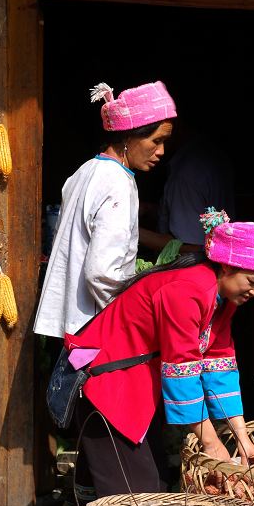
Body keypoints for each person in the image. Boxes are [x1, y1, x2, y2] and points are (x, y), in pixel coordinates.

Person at [66, 208, 254, 506]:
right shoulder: (186, 290)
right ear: (227, 267)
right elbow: (182, 368)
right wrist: (211, 442)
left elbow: (220, 365)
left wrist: (243, 440)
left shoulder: (221, 299)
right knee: (138, 500)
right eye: (253, 281)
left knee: (114, 479)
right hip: (109, 388)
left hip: (135, 389)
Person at [34, 80, 177, 338]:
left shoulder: (86, 170)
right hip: (96, 327)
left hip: (72, 324)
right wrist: (131, 319)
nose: (161, 151)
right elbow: (101, 272)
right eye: (156, 141)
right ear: (129, 136)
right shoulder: (118, 183)